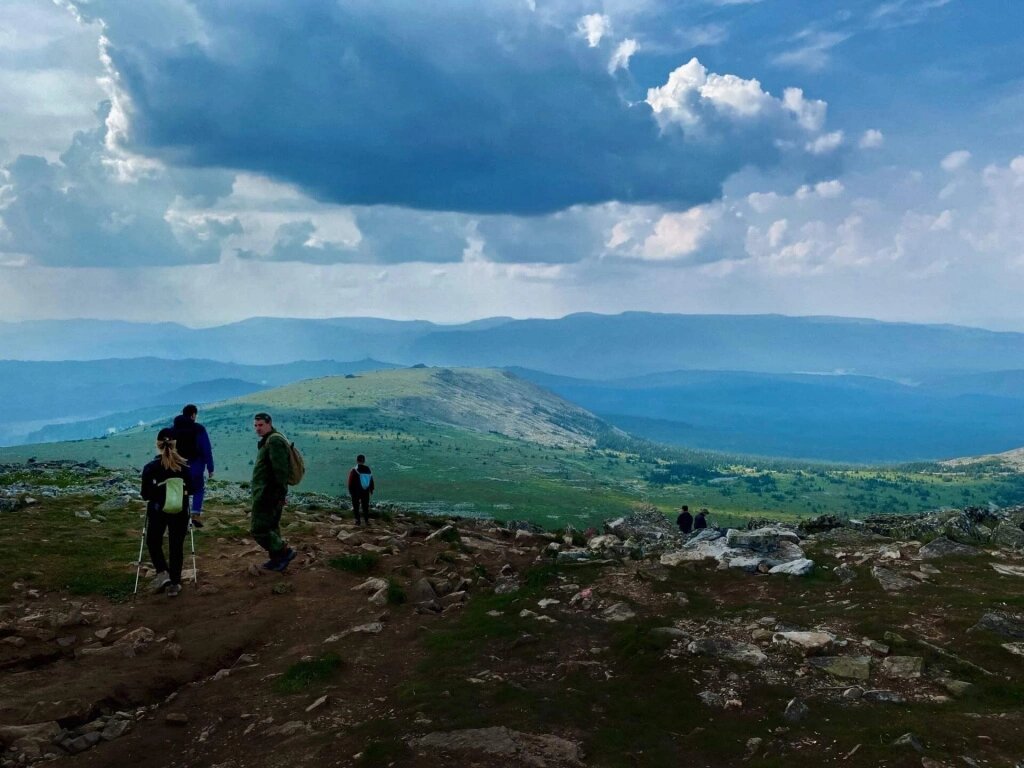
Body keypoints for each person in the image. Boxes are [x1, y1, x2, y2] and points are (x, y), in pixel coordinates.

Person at [140, 429, 191, 597]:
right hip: (180, 510)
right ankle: (175, 583)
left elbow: (145, 494)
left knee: (153, 541)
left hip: (157, 511)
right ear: (175, 444)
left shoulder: (151, 467)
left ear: (157, 445)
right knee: (176, 545)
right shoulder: (184, 466)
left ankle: (163, 573)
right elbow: (193, 489)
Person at [251, 412, 297, 571]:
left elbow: (280, 471)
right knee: (271, 527)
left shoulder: (274, 441)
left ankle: (285, 552)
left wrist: (280, 494)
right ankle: (277, 560)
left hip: (268, 494)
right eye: (255, 425)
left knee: (259, 529)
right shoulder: (269, 440)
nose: (258, 428)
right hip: (267, 492)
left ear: (269, 423)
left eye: (261, 425)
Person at [172, 404, 215, 528]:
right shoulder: (199, 429)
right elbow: (206, 449)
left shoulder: (173, 429)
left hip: (178, 467)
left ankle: (179, 516)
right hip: (196, 466)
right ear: (193, 415)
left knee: (180, 491)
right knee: (198, 489)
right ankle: (195, 515)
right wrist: (210, 468)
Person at [347, 454, 375, 525]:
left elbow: (350, 481)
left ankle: (357, 521)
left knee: (356, 506)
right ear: (364, 461)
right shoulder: (368, 469)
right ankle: (366, 521)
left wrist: (350, 491)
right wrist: (371, 489)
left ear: (357, 460)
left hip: (356, 491)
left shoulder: (354, 470)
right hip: (365, 491)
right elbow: (371, 480)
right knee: (365, 506)